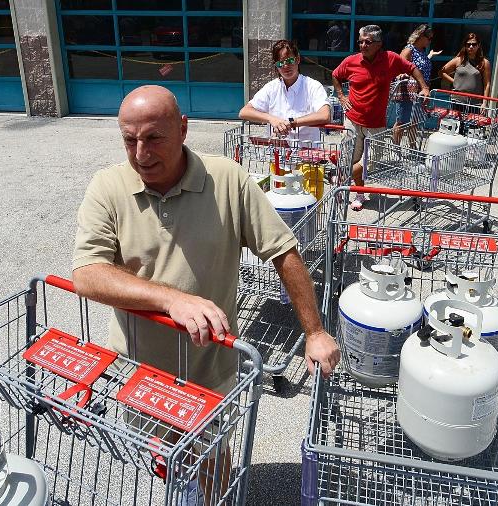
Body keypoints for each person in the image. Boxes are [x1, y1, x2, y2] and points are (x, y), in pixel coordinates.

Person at [71, 85, 340, 505]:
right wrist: (171, 299)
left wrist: (315, 331)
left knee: (213, 455)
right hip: (142, 371)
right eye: (129, 140)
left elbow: (283, 252)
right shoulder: (108, 186)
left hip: (210, 368)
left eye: (154, 138)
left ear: (183, 129)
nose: (141, 153)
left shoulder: (228, 180)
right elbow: (88, 274)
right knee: (163, 454)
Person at [332, 24, 430, 211]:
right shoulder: (351, 61)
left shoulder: (390, 59)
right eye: (360, 41)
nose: (362, 45)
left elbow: (412, 68)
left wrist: (424, 87)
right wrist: (341, 96)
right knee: (351, 159)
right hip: (352, 120)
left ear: (378, 44)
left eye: (367, 42)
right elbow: (336, 75)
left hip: (376, 124)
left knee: (372, 161)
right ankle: (359, 193)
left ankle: (341, 179)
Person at [239, 39, 331, 143]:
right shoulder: (272, 87)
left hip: (306, 152)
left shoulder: (313, 86)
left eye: (290, 61)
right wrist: (272, 119)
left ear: (298, 59)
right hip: (276, 152)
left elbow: (325, 115)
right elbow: (244, 112)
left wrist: (293, 123)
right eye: (280, 63)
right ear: (275, 65)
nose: (286, 66)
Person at [392, 24, 441, 144]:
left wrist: (430, 56)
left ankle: (412, 146)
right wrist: (402, 74)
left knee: (415, 121)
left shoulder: (422, 51)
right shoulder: (409, 50)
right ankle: (396, 148)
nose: (430, 41)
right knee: (402, 121)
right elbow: (399, 68)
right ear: (420, 36)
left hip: (420, 93)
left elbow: (420, 67)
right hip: (408, 92)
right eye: (429, 38)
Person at [440, 33, 492, 97]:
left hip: (475, 103)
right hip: (457, 100)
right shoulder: (458, 60)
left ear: (478, 45)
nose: (471, 47)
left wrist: (484, 102)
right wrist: (455, 81)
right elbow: (442, 72)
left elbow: (487, 84)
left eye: (474, 44)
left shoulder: (484, 63)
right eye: (468, 44)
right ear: (465, 46)